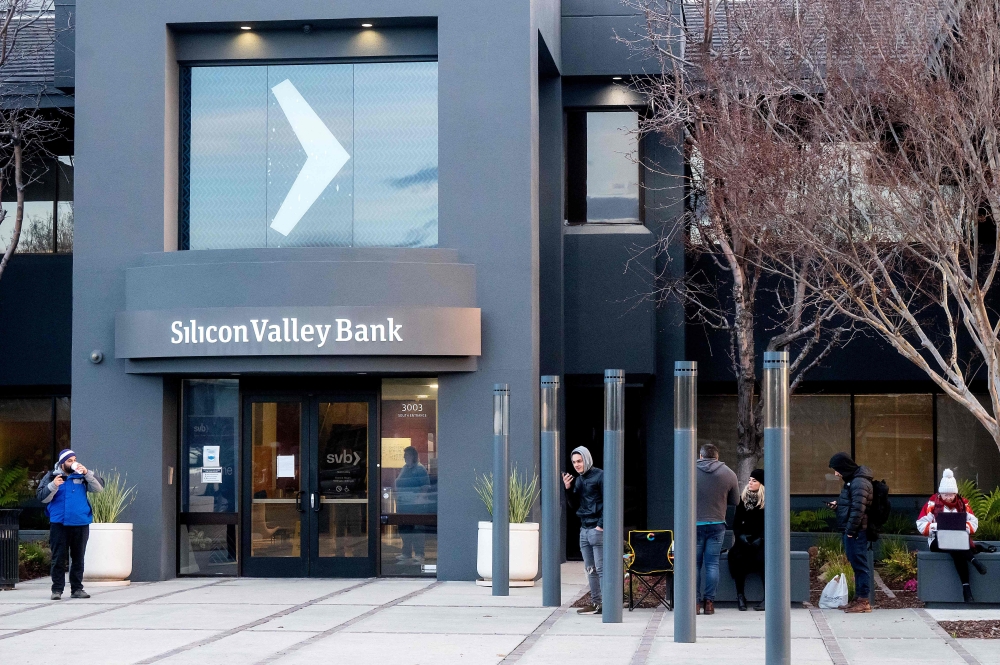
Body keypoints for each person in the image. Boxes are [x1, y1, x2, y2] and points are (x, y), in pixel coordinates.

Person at [36, 449, 103, 600]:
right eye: (69, 460)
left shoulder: (82, 475)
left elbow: (99, 488)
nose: (73, 463)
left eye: (74, 460)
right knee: (58, 557)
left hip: (80, 522)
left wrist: (87, 473)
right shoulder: (52, 476)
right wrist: (53, 485)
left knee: (78, 557)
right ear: (62, 463)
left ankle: (77, 589)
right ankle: (57, 590)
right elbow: (41, 498)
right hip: (59, 523)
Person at [916, 469, 987, 603]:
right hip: (936, 541)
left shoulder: (963, 505)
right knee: (954, 544)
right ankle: (972, 561)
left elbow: (974, 522)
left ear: (956, 493)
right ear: (940, 493)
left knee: (956, 549)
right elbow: (920, 524)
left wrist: (963, 526)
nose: (948, 497)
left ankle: (967, 590)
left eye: (951, 494)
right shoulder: (931, 505)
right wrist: (937, 526)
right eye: (945, 494)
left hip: (957, 541)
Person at [696, 443, 739, 615]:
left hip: (694, 525)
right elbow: (735, 501)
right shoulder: (729, 473)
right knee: (712, 564)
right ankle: (709, 603)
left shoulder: (689, 471)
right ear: (717, 457)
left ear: (701, 456)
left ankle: (695, 603)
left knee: (695, 565)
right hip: (717, 524)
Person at [828, 452, 873, 613]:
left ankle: (863, 601)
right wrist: (838, 506)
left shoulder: (859, 482)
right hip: (853, 530)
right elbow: (852, 505)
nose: (836, 473)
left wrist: (850, 531)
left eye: (837, 469)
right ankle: (858, 599)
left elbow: (858, 509)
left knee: (860, 566)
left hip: (856, 532)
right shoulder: (854, 481)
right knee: (856, 565)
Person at [563, 446, 604, 615]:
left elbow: (609, 501)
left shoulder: (600, 476)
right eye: (574, 462)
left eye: (579, 461)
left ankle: (606, 603)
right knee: (590, 569)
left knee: (601, 569)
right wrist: (567, 488)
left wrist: (600, 525)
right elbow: (574, 505)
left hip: (596, 528)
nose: (577, 465)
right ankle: (596, 603)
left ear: (586, 459)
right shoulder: (579, 480)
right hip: (585, 528)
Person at [730, 468, 766, 611]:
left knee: (765, 559)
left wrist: (761, 538)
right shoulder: (742, 500)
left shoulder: (767, 502)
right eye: (750, 480)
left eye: (754, 481)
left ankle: (767, 597)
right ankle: (740, 596)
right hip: (744, 540)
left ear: (761, 484)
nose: (750, 483)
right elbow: (736, 524)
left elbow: (771, 524)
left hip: (761, 541)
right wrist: (741, 537)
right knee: (737, 558)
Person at [394, 446, 430, 564]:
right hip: (403, 505)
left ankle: (419, 554)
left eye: (407, 455)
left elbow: (425, 487)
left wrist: (419, 500)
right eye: (404, 455)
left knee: (417, 531)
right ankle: (406, 553)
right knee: (404, 530)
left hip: (415, 506)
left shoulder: (420, 469)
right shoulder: (404, 468)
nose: (404, 457)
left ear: (413, 456)